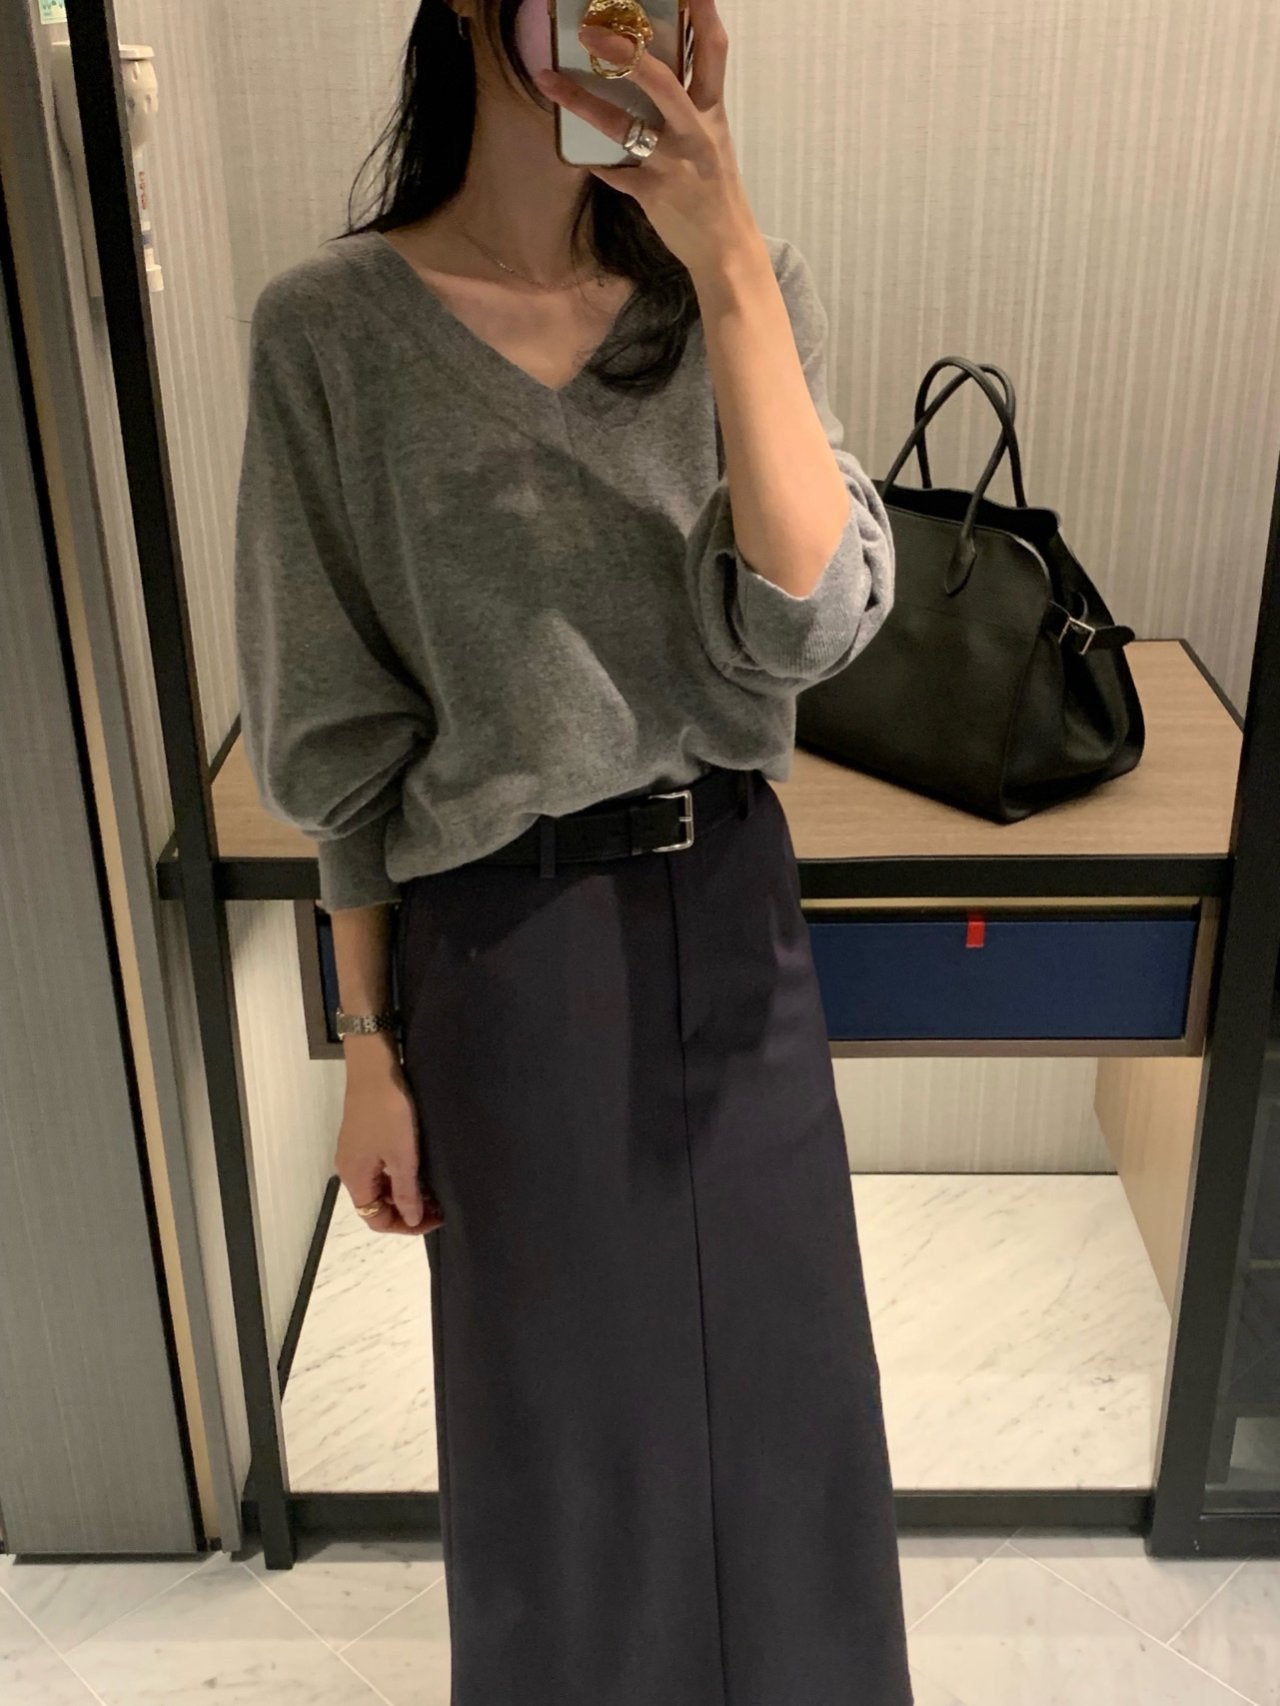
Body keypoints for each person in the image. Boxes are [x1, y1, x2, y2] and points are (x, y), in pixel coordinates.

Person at [234, 0, 913, 1699]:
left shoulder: (733, 289)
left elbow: (809, 621)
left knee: (787, 1421)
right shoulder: (329, 330)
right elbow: (337, 738)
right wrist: (367, 1045)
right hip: (502, 949)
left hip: (731, 905)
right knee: (561, 1448)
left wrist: (729, 255)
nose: (627, 27)